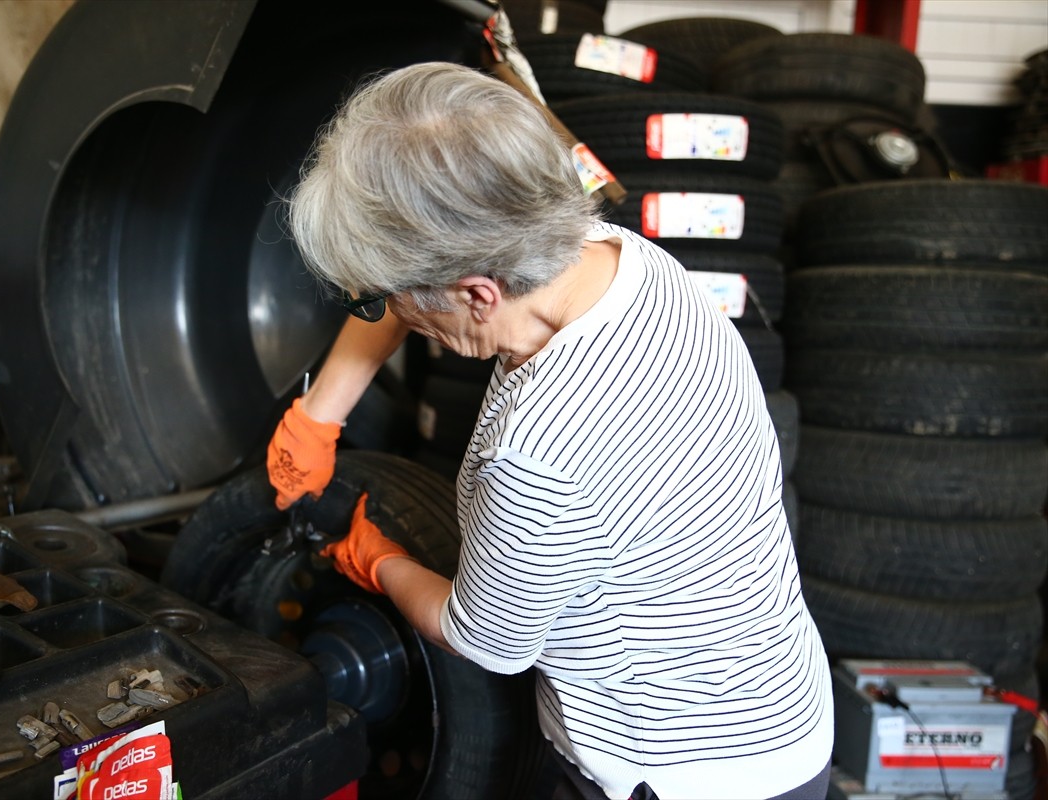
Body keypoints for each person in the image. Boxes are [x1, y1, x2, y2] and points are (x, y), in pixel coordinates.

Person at [266, 60, 833, 800]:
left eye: (395, 306)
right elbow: (426, 260)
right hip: (778, 711)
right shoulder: (626, 260)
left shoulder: (542, 450)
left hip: (674, 771)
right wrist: (320, 412)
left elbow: (484, 640)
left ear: (476, 293)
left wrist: (379, 561)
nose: (397, 320)